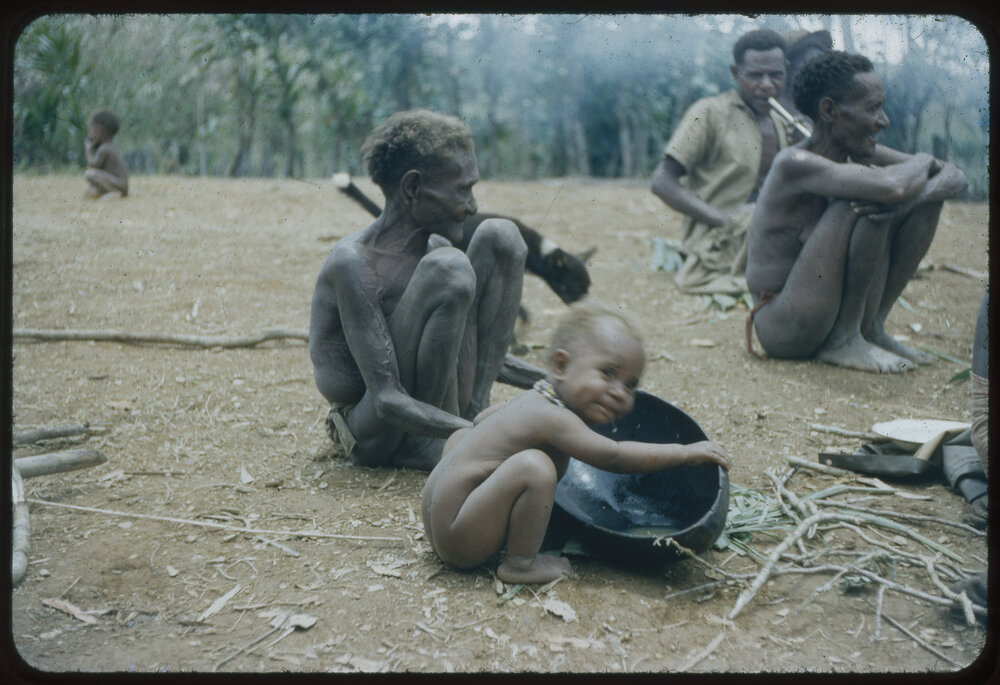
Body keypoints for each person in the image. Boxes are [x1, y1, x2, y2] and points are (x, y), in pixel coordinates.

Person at [420, 299, 731, 584]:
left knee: (467, 439)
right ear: (561, 366)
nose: (620, 392)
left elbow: (479, 421)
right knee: (536, 468)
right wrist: (686, 452)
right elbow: (613, 456)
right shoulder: (555, 418)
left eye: (630, 384)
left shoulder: (533, 398)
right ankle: (519, 565)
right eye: (607, 373)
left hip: (438, 516)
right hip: (461, 541)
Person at [309, 109, 543, 471]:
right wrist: (484, 436)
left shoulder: (433, 250)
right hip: (375, 429)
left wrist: (557, 386)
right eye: (462, 190)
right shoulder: (354, 263)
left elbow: (477, 352)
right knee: (449, 269)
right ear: (413, 188)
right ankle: (433, 443)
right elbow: (386, 399)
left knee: (503, 237)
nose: (472, 206)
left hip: (433, 412)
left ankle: (471, 415)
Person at [745, 51, 967, 373]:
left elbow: (954, 175)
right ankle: (844, 339)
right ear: (829, 111)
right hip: (785, 325)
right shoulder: (794, 163)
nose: (884, 120)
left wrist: (913, 201)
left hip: (820, 312)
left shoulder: (861, 152)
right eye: (872, 108)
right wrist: (921, 161)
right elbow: (894, 186)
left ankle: (871, 328)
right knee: (869, 198)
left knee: (920, 196)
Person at [651, 29, 793, 295]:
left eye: (776, 75)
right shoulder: (709, 112)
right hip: (718, 239)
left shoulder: (782, 122)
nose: (767, 85)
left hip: (767, 234)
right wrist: (722, 219)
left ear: (786, 71)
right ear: (735, 73)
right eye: (755, 75)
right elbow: (662, 181)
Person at [779, 29, 833, 128]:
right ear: (787, 67)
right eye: (805, 66)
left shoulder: (827, 103)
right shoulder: (773, 105)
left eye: (819, 66)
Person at [84, 109, 129, 198]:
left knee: (90, 173)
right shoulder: (112, 147)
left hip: (118, 185)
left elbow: (93, 165)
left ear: (98, 130)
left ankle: (112, 192)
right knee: (92, 190)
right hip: (121, 185)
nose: (89, 134)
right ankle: (109, 192)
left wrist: (88, 150)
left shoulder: (104, 149)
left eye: (91, 130)